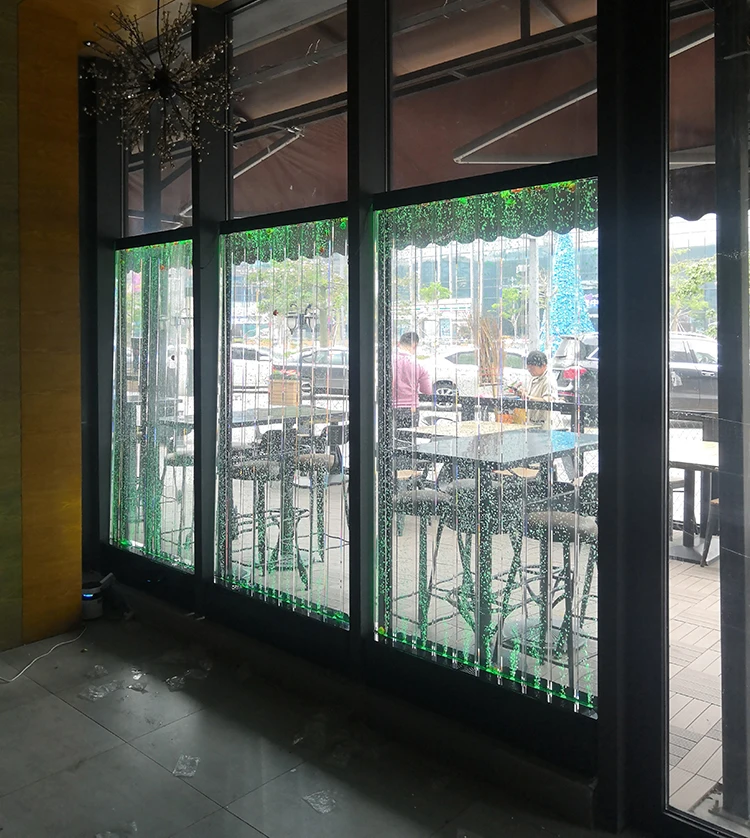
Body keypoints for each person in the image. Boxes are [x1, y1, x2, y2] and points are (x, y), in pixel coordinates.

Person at [392, 332, 432, 429]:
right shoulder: (419, 364)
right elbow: (427, 390)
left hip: (391, 406)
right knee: (409, 436)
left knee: (390, 435)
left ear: (399, 343)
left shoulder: (388, 361)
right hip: (411, 408)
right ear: (415, 345)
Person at [520, 350, 558, 430]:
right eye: (529, 368)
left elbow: (548, 401)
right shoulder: (533, 377)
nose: (530, 370)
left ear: (544, 366)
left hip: (545, 424)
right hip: (532, 421)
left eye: (533, 368)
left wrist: (529, 398)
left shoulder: (549, 380)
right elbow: (526, 389)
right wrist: (523, 392)